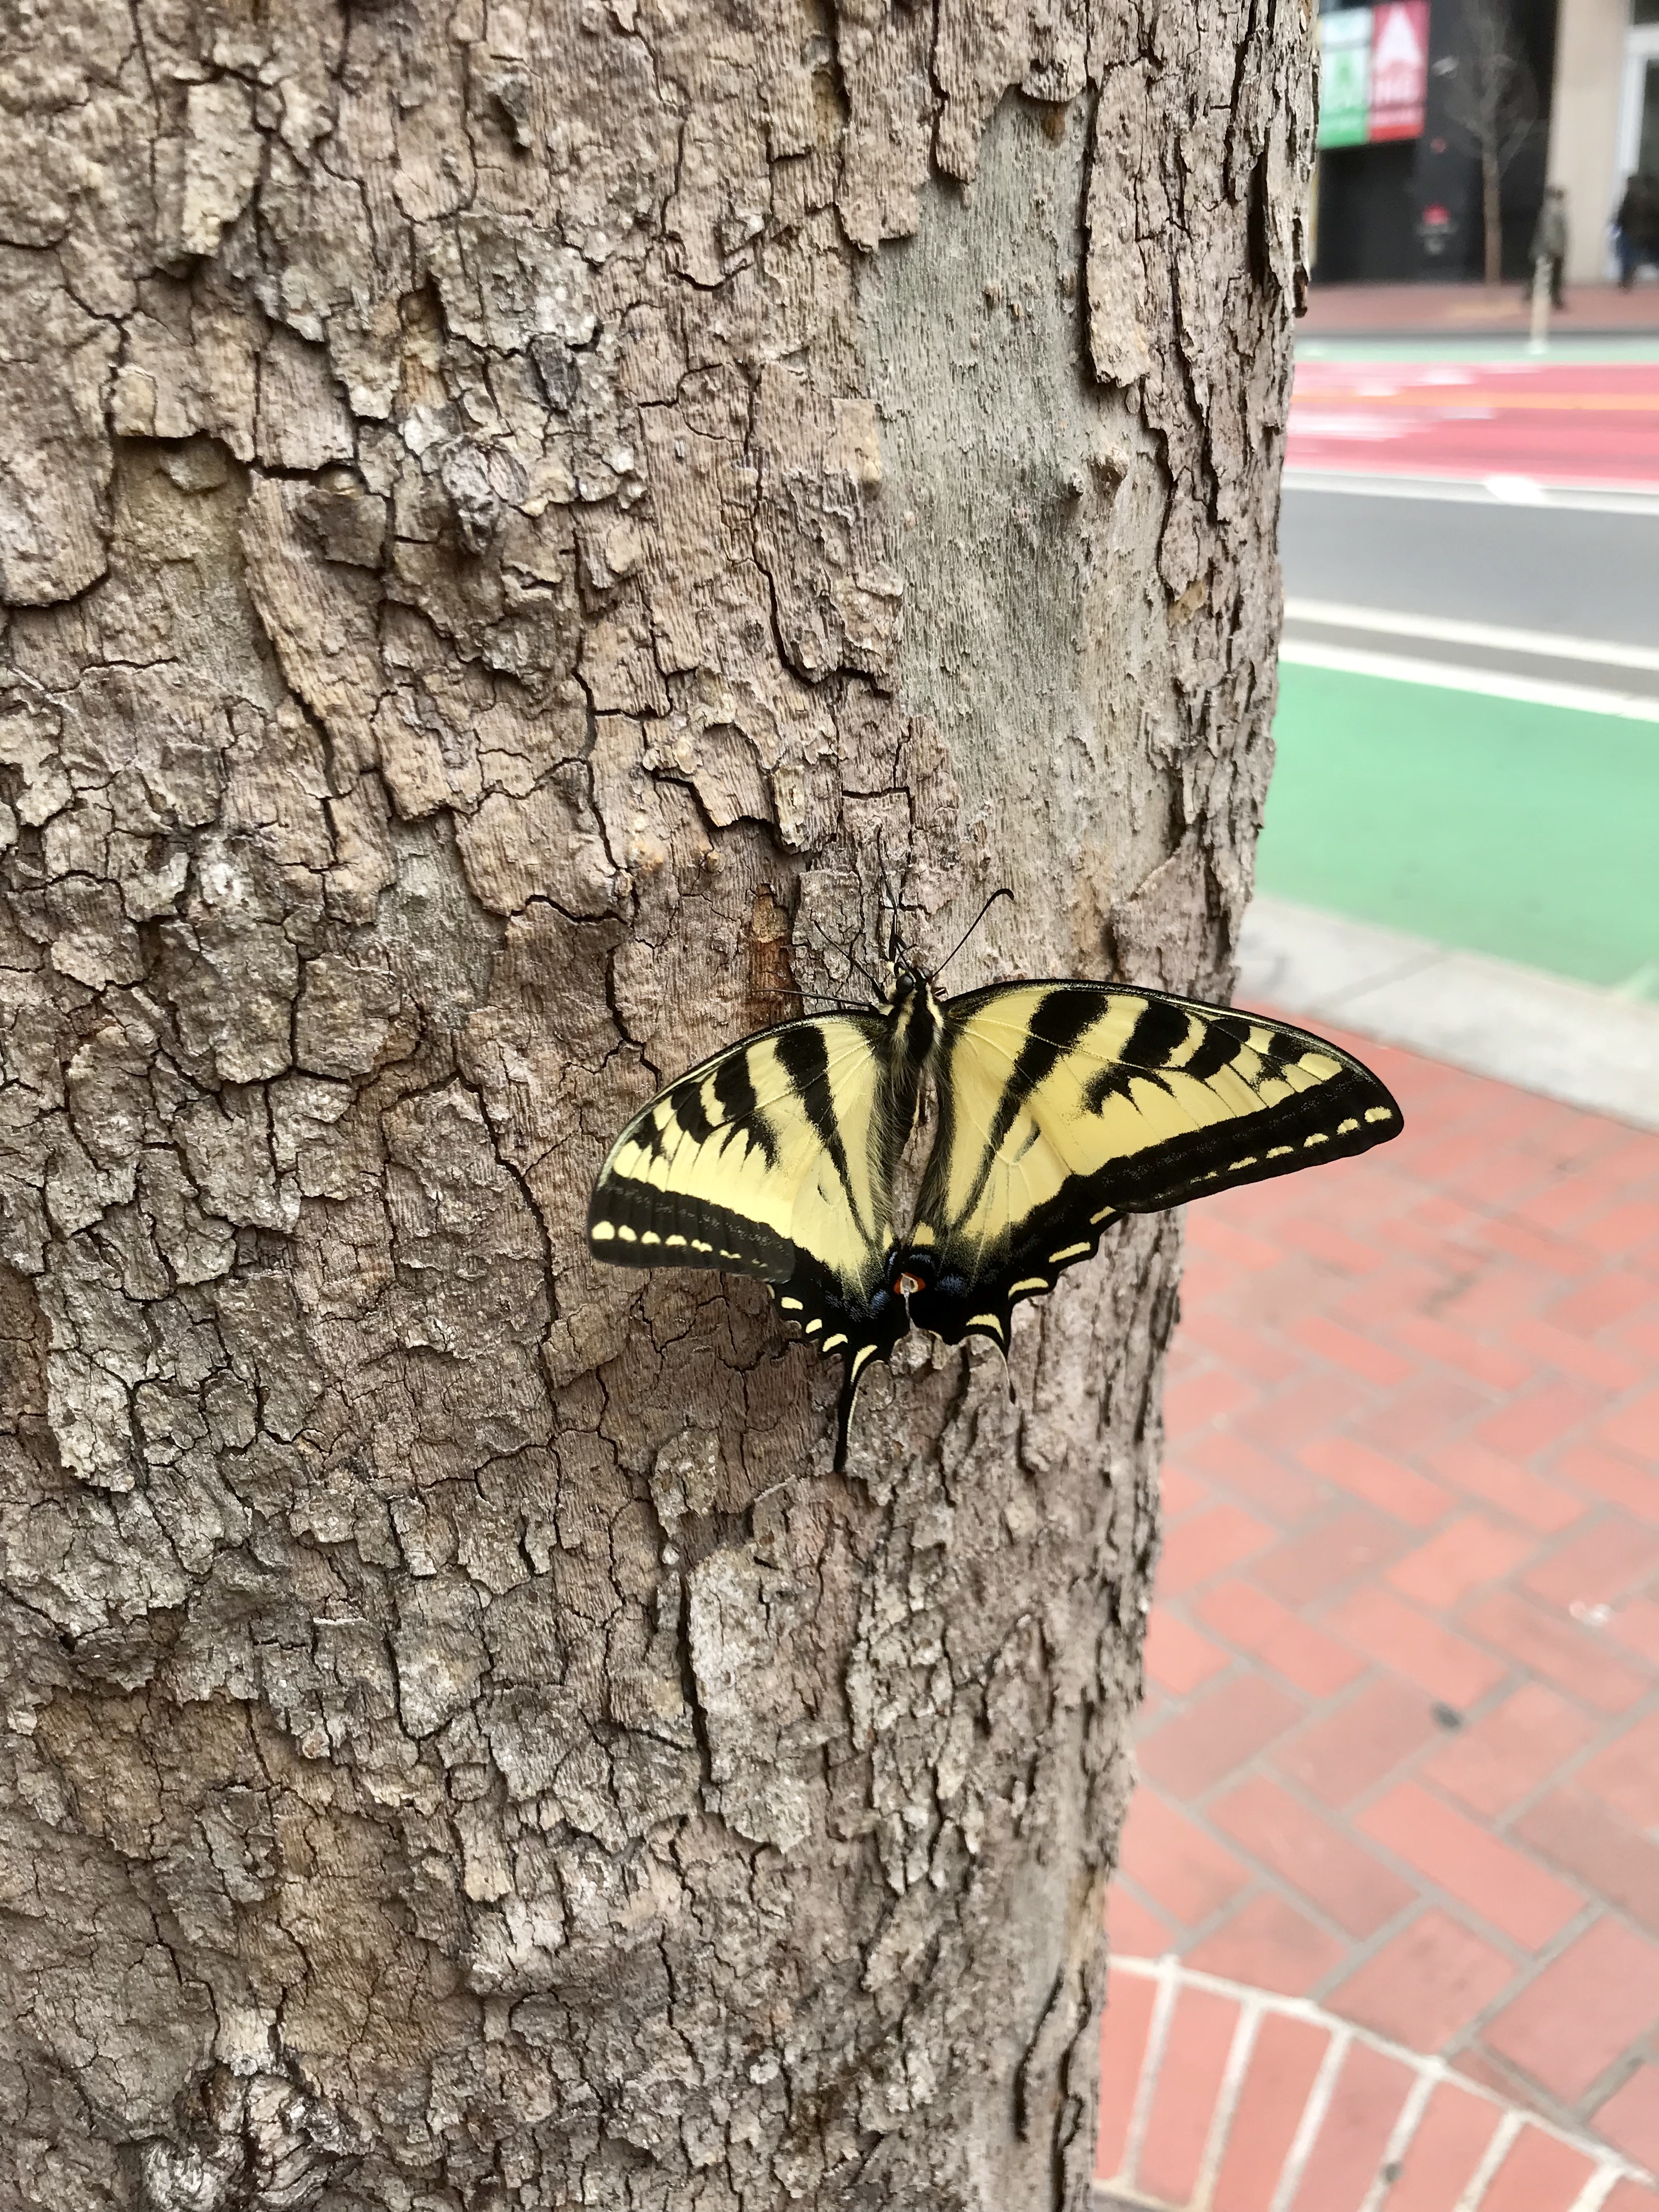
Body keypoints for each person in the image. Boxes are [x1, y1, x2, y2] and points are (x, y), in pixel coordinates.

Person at [1527, 185, 1568, 309]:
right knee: (1551, 276)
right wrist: (1554, 248)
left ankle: (1533, 295)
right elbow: (1550, 232)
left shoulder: (1552, 209)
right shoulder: (1553, 210)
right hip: (1551, 250)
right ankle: (1554, 299)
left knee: (1542, 275)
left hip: (1550, 250)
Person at [1616, 173, 1658, 289]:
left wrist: (1617, 225)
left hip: (1630, 232)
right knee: (1635, 256)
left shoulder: (1631, 197)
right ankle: (1628, 278)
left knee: (1627, 256)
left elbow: (1623, 214)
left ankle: (1626, 279)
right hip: (1644, 233)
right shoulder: (1648, 197)